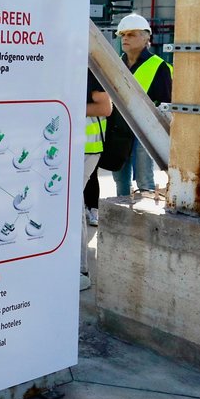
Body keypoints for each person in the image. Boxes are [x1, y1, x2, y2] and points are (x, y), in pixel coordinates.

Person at [112, 13, 172, 196]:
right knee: (120, 179)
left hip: (144, 133)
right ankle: (122, 214)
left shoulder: (159, 66)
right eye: (123, 35)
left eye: (131, 34)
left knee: (144, 181)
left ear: (146, 37)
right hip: (119, 129)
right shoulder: (116, 63)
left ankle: (145, 215)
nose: (125, 38)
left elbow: (165, 105)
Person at [80, 69, 112, 291]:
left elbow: (105, 108)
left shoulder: (86, 69)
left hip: (87, 149)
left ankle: (81, 270)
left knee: (71, 207)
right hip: (64, 147)